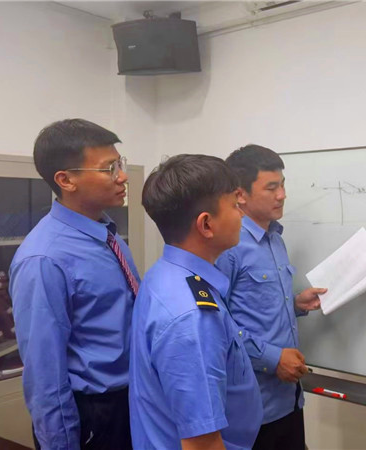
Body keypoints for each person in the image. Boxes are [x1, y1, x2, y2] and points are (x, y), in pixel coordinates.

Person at [10, 118, 140, 449]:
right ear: (66, 180)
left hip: (130, 399)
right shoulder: (44, 259)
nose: (122, 176)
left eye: (120, 164)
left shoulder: (106, 234)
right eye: (110, 168)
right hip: (94, 414)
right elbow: (45, 376)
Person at [129, 154, 263, 449]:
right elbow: (202, 442)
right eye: (234, 205)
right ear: (206, 224)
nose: (241, 214)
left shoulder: (166, 274)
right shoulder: (192, 316)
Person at [216, 144, 326, 450]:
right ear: (240, 194)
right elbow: (217, 324)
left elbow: (253, 306)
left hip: (289, 399)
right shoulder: (228, 246)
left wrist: (296, 304)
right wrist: (272, 358)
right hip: (252, 409)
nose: (282, 195)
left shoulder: (275, 239)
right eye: (271, 187)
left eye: (283, 185)